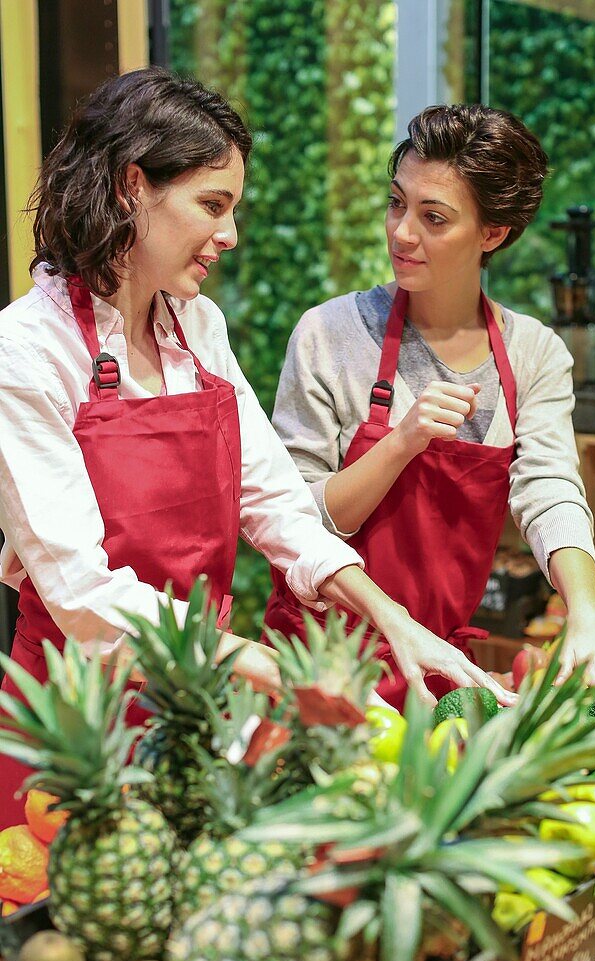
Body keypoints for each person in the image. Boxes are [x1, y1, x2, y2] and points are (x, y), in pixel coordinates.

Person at [0, 72, 504, 829]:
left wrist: (393, 619)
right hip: (76, 724)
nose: (230, 235)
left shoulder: (198, 330)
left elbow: (274, 501)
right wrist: (273, 668)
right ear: (132, 186)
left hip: (198, 703)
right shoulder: (28, 350)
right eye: (213, 205)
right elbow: (82, 595)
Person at [263, 103, 595, 716]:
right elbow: (295, 521)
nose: (402, 232)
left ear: (492, 234)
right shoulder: (329, 335)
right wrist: (400, 444)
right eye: (397, 203)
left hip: (443, 674)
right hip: (319, 671)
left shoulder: (533, 354)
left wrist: (590, 614)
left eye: (434, 218)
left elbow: (549, 488)